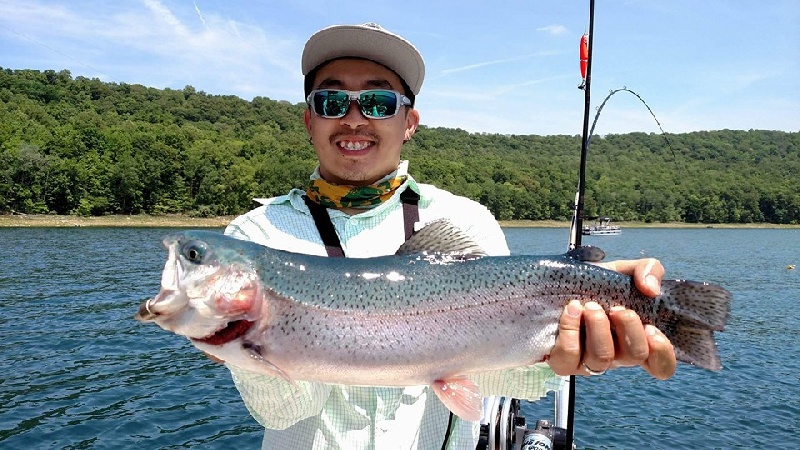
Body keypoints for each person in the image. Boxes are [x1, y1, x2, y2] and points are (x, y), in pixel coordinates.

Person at [221, 22, 676, 450]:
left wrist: (561, 356)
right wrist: (244, 339)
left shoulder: (465, 220)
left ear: (410, 122)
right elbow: (283, 413)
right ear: (309, 122)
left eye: (379, 102)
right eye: (331, 102)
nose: (354, 119)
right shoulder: (253, 241)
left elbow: (501, 381)